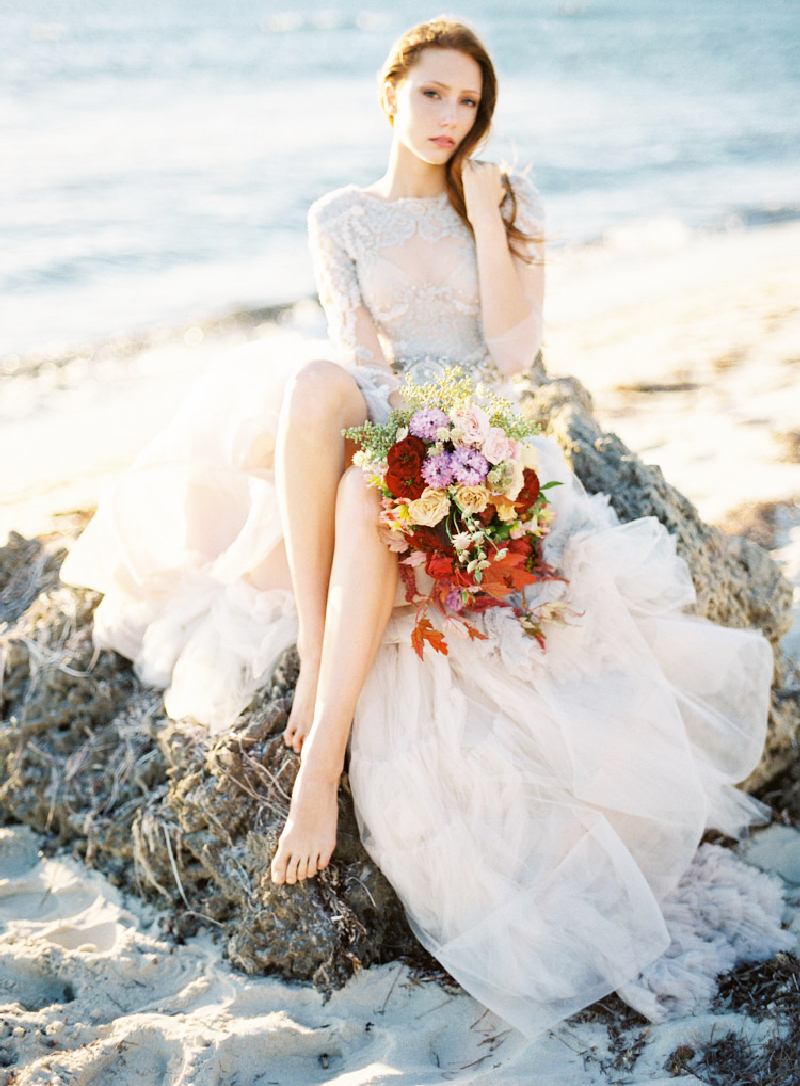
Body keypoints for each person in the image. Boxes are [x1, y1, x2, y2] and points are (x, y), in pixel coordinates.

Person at [61, 17, 787, 1038]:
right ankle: (322, 660)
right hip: (394, 412)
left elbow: (514, 356)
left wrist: (487, 223)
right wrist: (396, 434)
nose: (451, 118)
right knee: (312, 385)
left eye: (469, 102)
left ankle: (319, 765)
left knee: (364, 499)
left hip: (488, 438)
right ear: (391, 91)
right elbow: (357, 358)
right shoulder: (341, 218)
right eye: (434, 94)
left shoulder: (504, 199)